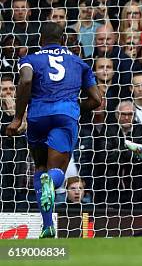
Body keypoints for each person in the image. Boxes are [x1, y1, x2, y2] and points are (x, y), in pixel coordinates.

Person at [6, 22, 101, 238]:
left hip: (38, 116)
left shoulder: (29, 59)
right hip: (64, 116)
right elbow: (97, 100)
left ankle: (48, 226)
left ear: (40, 40)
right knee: (55, 172)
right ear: (64, 41)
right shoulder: (79, 63)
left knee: (40, 169)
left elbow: (26, 80)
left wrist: (18, 117)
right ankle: (52, 185)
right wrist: (76, 106)